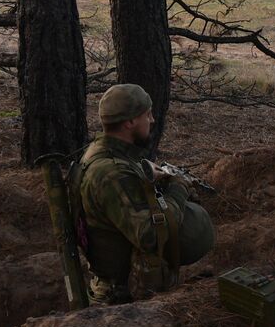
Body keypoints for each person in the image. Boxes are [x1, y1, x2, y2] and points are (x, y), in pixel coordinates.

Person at [73, 84, 215, 305]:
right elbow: (150, 235)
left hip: (122, 287)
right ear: (130, 122)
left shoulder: (102, 153)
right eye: (147, 115)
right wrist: (178, 188)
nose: (152, 120)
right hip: (121, 299)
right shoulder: (112, 174)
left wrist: (144, 173)